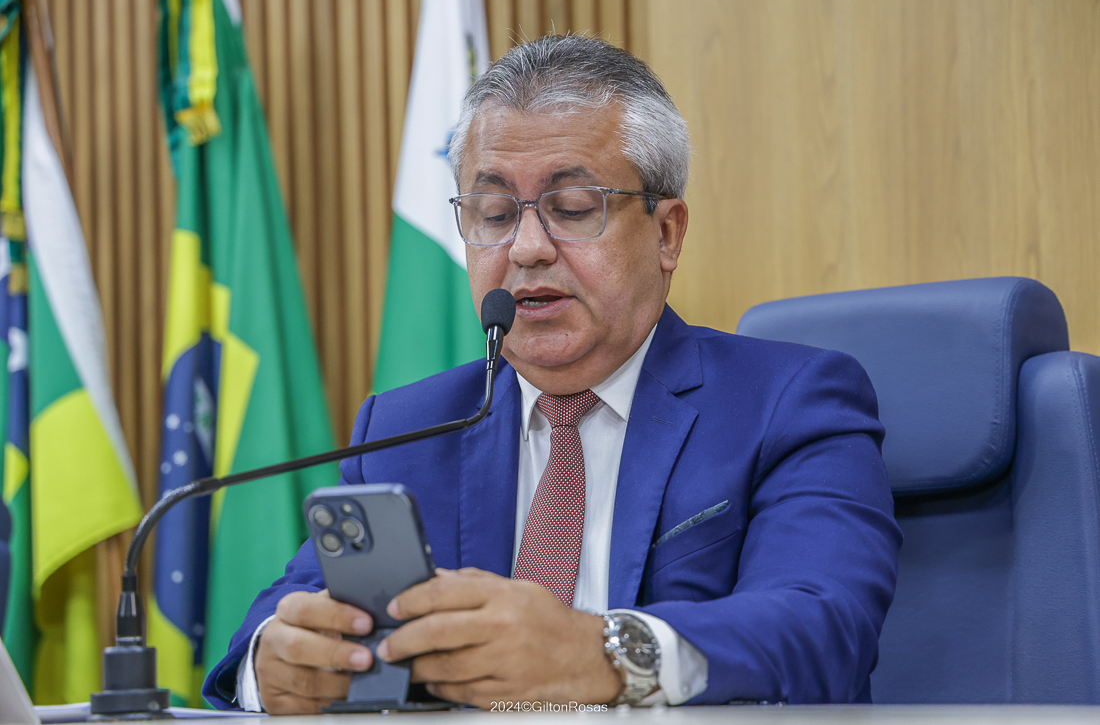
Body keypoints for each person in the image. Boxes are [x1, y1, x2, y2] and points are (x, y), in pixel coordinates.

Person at [203, 35, 902, 713]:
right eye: (495, 214)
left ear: (666, 233)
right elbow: (281, 621)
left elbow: (823, 627)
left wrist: (599, 653)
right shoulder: (409, 429)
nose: (527, 248)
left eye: (573, 209)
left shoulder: (790, 403)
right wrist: (275, 667)